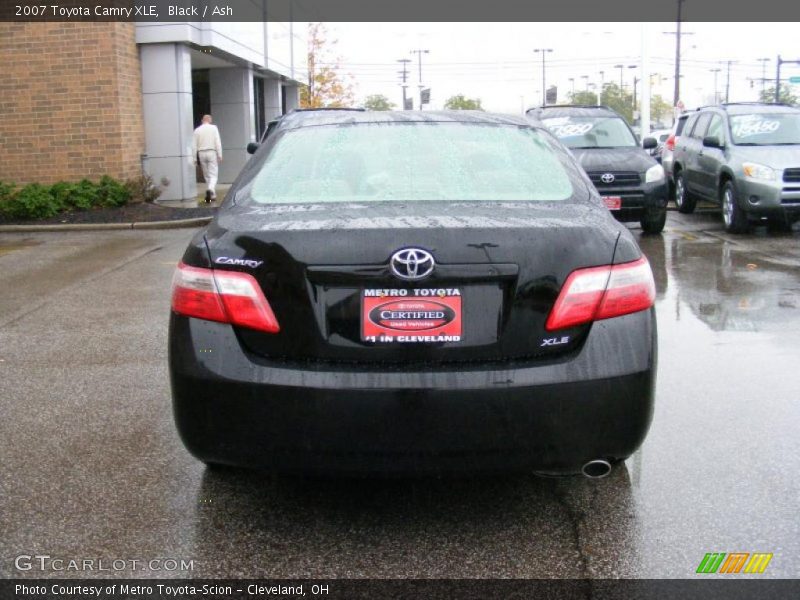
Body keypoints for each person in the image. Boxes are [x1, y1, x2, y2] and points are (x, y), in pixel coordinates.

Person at [192, 115, 223, 203]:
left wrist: (194, 158)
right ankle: (210, 189)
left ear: (202, 120)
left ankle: (211, 196)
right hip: (211, 152)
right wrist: (219, 154)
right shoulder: (213, 128)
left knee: (206, 175)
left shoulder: (197, 130)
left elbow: (194, 145)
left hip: (201, 153)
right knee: (213, 174)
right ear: (210, 120)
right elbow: (217, 141)